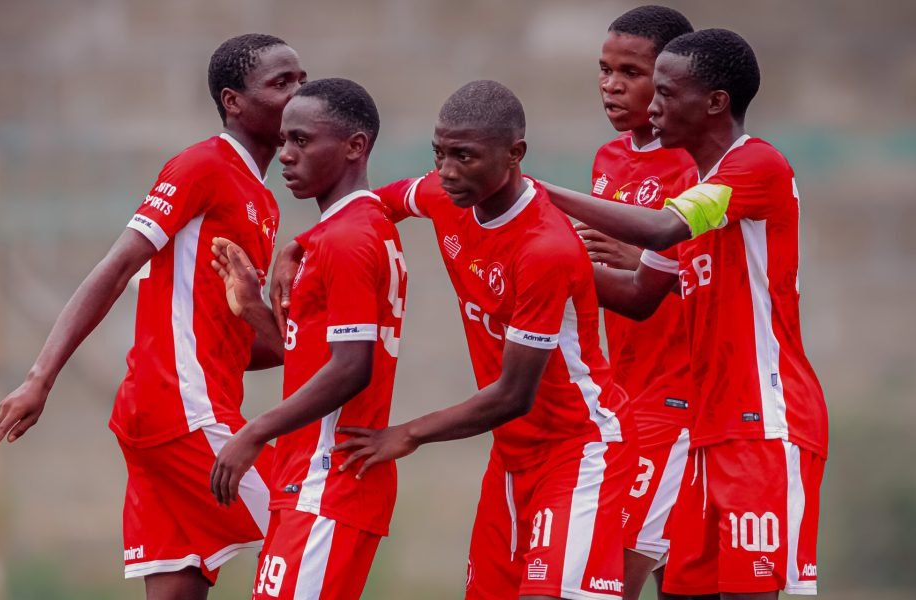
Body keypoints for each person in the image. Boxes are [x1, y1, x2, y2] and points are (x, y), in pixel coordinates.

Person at [0, 34, 307, 599]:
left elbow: (249, 342)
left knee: (178, 591)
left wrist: (271, 320)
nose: (299, 93)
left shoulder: (266, 200)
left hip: (179, 409)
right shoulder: (202, 166)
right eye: (281, 83)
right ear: (233, 100)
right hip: (181, 407)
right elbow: (115, 265)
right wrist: (40, 378)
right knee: (307, 516)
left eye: (302, 80)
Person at [298, 80, 639, 600]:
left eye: (464, 156)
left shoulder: (545, 248)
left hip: (579, 452)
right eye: (439, 154)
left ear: (514, 154)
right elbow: (369, 207)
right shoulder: (446, 194)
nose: (447, 170)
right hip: (511, 458)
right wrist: (302, 247)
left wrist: (408, 433)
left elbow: (512, 394)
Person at [543, 29, 828, 598]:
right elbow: (641, 294)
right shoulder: (697, 182)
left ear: (715, 102)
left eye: (665, 93)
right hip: (707, 427)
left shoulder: (754, 167)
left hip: (764, 424)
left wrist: (526, 190)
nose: (651, 106)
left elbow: (663, 227)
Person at [209, 78, 406, 600]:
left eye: (302, 141)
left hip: (329, 484)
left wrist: (254, 433)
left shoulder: (348, 239)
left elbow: (350, 367)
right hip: (306, 483)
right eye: (284, 141)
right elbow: (315, 356)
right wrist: (253, 309)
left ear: (355, 147)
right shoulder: (343, 232)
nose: (287, 155)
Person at [587, 7, 698, 599]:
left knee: (610, 575)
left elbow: (732, 284)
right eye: (605, 69)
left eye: (631, 71)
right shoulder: (609, 160)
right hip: (626, 393)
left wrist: (650, 264)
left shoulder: (699, 168)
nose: (612, 83)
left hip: (676, 400)